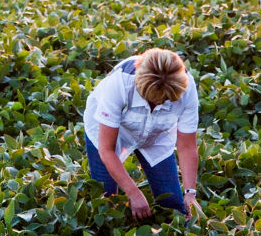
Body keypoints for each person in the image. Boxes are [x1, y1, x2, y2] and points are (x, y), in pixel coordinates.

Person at [83, 47, 202, 220]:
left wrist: (190, 192)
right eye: (152, 99)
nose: (159, 103)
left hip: (156, 136)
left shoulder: (186, 88)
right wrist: (133, 192)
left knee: (175, 207)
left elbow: (187, 146)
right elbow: (106, 150)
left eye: (165, 100)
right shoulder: (120, 82)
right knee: (107, 204)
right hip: (110, 132)